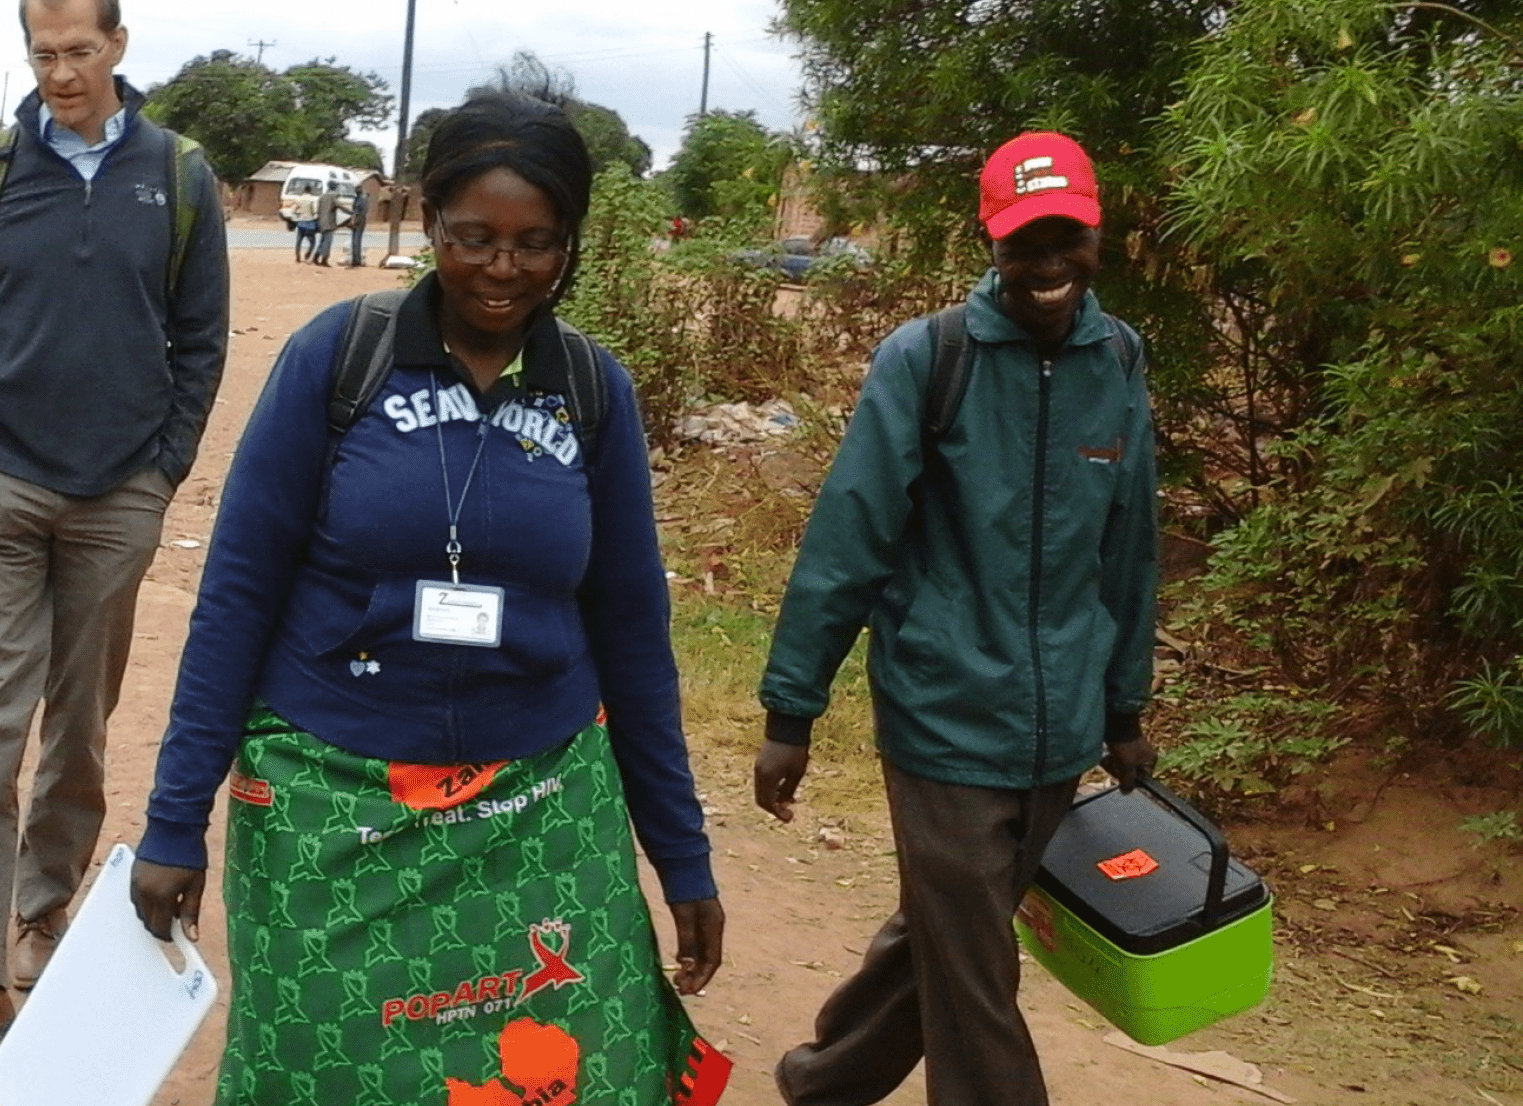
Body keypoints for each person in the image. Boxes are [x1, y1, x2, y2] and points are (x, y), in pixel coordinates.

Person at [131, 88, 728, 1104]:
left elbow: (633, 632)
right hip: (332, 804)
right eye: (474, 237)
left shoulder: (591, 391)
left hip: (537, 811)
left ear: (571, 242)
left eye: (536, 242)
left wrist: (682, 857)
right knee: (323, 1072)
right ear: (427, 220)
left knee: (558, 1075)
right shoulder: (340, 360)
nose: (503, 269)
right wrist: (174, 819)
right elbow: (237, 593)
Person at [752, 130, 1159, 1106]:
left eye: (1068, 237)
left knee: (946, 932)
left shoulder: (1120, 361)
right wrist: (789, 713)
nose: (1048, 264)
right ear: (990, 241)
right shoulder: (929, 360)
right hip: (941, 716)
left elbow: (1129, 548)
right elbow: (848, 541)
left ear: (1098, 236)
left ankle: (824, 1083)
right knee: (979, 973)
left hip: (1059, 729)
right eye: (1026, 243)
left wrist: (1126, 712)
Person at [0, 0, 229, 1057]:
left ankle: (45, 910)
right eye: (42, 55)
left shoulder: (178, 178)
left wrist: (161, 471)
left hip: (116, 499)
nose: (61, 74)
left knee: (75, 730)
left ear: (119, 45)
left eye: (79, 52)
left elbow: (200, 341)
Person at [345, 183, 371, 267]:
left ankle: (356, 261)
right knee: (357, 241)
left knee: (356, 241)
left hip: (358, 221)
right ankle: (357, 259)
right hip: (361, 220)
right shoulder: (363, 198)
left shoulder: (360, 199)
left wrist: (353, 220)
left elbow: (356, 211)